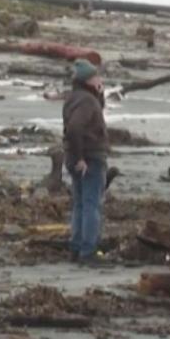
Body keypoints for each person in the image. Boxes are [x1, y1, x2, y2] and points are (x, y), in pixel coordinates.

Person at [63, 59, 109, 266]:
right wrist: (81, 157)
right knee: (91, 205)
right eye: (96, 76)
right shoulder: (86, 102)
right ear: (88, 80)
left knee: (80, 204)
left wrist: (99, 93)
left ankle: (76, 247)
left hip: (76, 157)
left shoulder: (75, 98)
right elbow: (74, 128)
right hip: (89, 158)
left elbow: (97, 109)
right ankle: (88, 250)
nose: (100, 79)